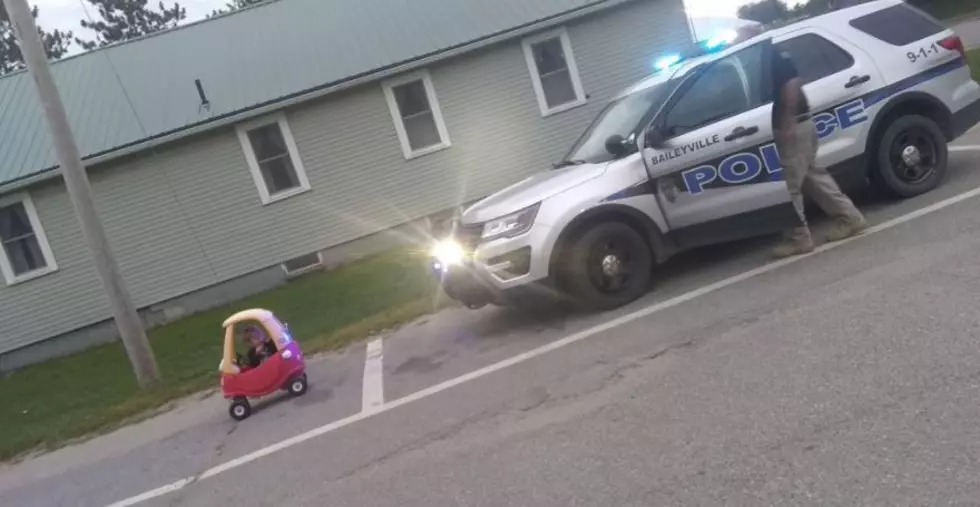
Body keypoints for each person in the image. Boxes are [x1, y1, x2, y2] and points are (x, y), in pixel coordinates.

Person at [770, 46, 868, 258]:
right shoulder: (772, 54)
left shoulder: (771, 56)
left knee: (790, 187)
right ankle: (850, 218)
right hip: (800, 125)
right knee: (812, 177)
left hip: (792, 127)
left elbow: (793, 82)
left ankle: (799, 239)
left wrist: (787, 120)